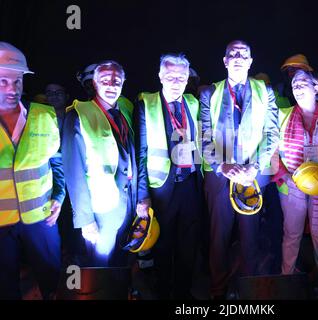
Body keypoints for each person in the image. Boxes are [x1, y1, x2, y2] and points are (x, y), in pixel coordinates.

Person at [200, 40, 279, 299]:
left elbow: (272, 132)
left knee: (250, 236)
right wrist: (221, 166)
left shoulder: (264, 91)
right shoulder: (209, 93)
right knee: (218, 237)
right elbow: (203, 136)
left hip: (251, 175)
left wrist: (255, 166)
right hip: (220, 175)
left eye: (243, 54)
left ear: (250, 61)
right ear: (224, 61)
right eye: (232, 54)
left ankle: (248, 290)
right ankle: (218, 291)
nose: (237, 57)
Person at [272, 69, 318, 300]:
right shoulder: (282, 115)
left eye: (303, 82)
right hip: (291, 185)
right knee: (292, 234)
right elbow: (272, 151)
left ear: (317, 87)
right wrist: (284, 176)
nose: (297, 86)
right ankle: (287, 280)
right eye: (294, 83)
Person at [135, 53, 203, 299]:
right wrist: (143, 195)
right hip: (161, 187)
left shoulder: (192, 104)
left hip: (190, 184)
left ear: (188, 79)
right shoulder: (146, 104)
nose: (176, 81)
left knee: (188, 243)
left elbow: (202, 143)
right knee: (163, 245)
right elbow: (140, 154)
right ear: (160, 76)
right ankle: (163, 291)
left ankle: (184, 293)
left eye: (182, 77)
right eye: (171, 76)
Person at [0, 41, 65, 299]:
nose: (12, 89)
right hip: (1, 224)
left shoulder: (44, 115)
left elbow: (56, 161)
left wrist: (59, 197)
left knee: (52, 276)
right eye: (3, 81)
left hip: (41, 215)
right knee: (5, 284)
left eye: (17, 82)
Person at [62, 60, 137, 267]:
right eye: (105, 80)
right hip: (101, 207)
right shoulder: (77, 115)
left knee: (122, 259)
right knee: (100, 264)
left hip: (128, 201)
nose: (111, 85)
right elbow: (74, 173)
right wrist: (85, 220)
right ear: (95, 84)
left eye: (116, 80)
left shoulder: (124, 111)